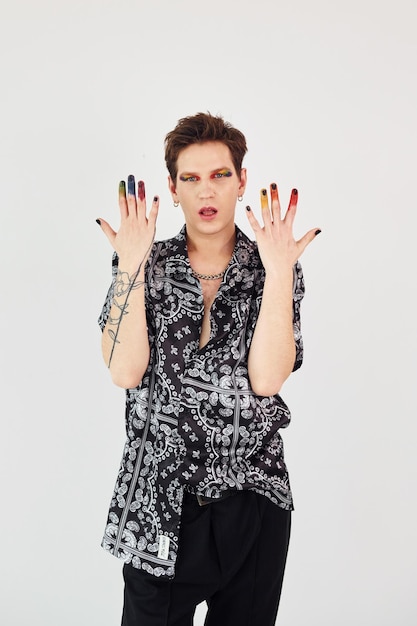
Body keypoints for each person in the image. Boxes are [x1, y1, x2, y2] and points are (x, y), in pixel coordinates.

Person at [96, 112, 320, 626]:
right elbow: (124, 372)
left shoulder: (273, 264)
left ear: (241, 180)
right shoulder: (146, 263)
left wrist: (280, 270)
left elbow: (267, 379)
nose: (207, 191)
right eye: (191, 178)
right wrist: (130, 264)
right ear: (173, 190)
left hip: (252, 499)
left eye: (220, 174)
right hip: (158, 500)